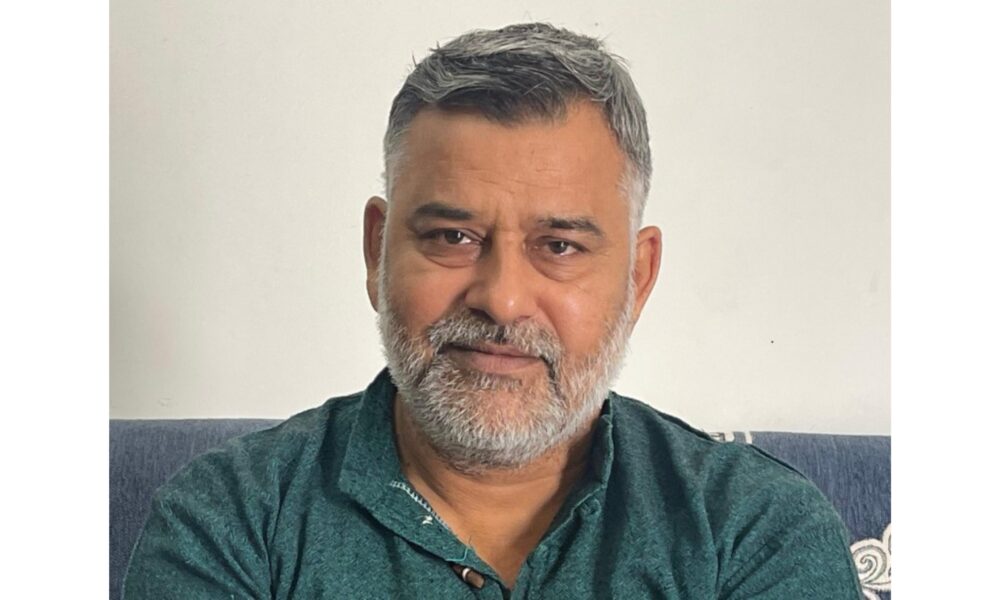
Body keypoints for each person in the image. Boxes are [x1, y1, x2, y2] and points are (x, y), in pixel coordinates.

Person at [123, 23, 863, 599]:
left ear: (637, 278)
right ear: (378, 250)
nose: (502, 299)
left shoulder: (754, 528)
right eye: (453, 237)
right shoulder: (229, 520)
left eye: (560, 246)